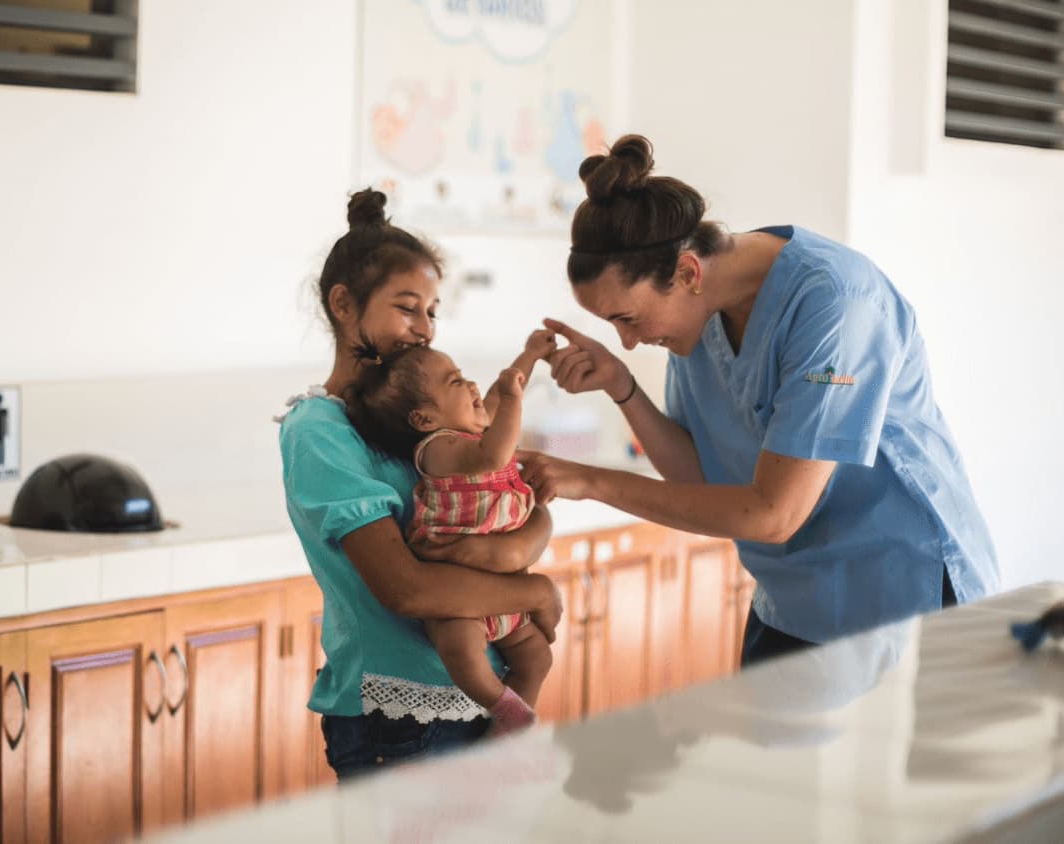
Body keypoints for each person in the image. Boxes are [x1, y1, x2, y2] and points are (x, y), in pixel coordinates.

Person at [517, 134, 1000, 666]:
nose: (628, 340)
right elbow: (697, 481)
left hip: (904, 602)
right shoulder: (698, 316)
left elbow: (775, 514)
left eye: (627, 319)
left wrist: (590, 480)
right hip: (792, 603)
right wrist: (621, 386)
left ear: (687, 273)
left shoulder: (836, 303)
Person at [276, 189, 562, 780]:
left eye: (433, 311)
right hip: (398, 719)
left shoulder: (427, 425)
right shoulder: (319, 431)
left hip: (473, 698)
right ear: (343, 304)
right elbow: (407, 591)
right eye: (408, 308)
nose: (424, 329)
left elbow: (516, 516)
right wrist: (529, 593)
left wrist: (516, 551)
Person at [343, 330, 558, 735]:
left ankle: (512, 724)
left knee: (537, 657)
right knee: (462, 652)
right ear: (424, 419)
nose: (473, 385)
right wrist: (513, 400)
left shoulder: (474, 426)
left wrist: (528, 356)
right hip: (461, 599)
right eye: (456, 382)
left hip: (503, 589)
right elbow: (494, 452)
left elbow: (495, 395)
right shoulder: (439, 448)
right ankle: (501, 703)